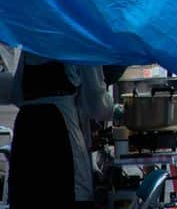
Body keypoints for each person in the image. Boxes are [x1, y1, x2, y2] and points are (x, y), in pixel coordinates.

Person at [6, 54, 112, 209]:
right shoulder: (79, 36)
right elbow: (97, 104)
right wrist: (117, 111)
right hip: (60, 128)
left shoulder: (31, 40)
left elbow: (16, 94)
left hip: (26, 130)